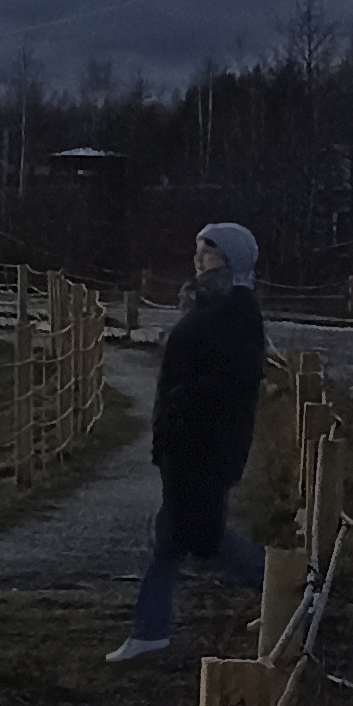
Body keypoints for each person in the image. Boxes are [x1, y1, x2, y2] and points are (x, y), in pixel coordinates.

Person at [109, 221, 268, 662]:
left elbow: (235, 379)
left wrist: (182, 402)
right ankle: (150, 631)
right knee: (173, 537)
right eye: (198, 251)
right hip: (187, 443)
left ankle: (289, 588)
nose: (199, 260)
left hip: (206, 446)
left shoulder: (238, 310)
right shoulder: (209, 303)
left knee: (202, 538)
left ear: (231, 260)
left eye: (209, 252)